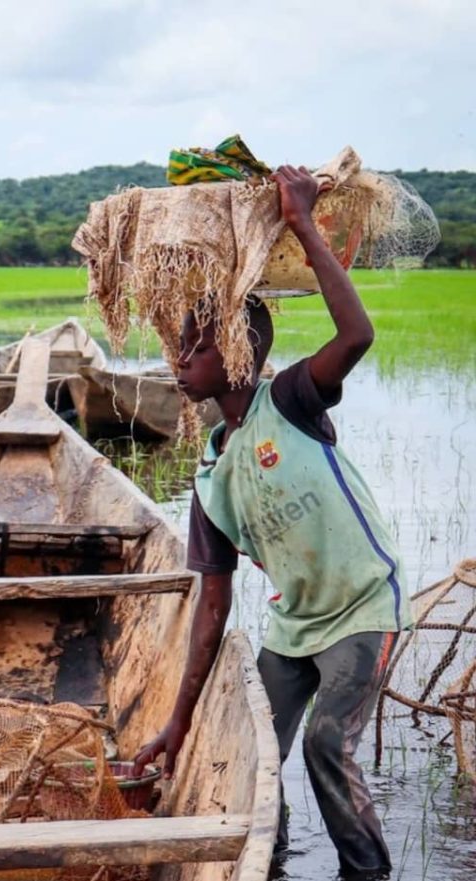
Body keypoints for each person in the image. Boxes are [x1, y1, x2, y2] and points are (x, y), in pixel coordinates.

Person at [132, 165, 412, 880]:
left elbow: (356, 334)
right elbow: (213, 606)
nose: (179, 360)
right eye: (180, 346)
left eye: (196, 346)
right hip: (293, 630)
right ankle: (273, 859)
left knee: (325, 743)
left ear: (238, 352)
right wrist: (180, 721)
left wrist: (303, 223)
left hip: (361, 609)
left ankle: (368, 872)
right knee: (254, 750)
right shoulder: (211, 476)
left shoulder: (289, 401)